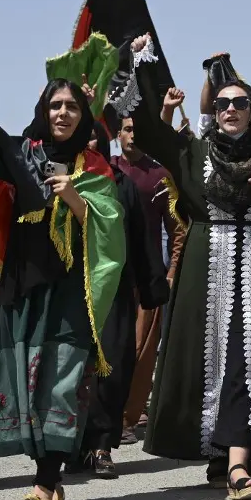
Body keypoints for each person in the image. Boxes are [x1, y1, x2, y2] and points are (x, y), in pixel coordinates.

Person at [0, 66, 124, 500]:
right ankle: (51, 478)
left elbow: (111, 230)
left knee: (60, 381)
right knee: (26, 383)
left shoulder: (94, 166)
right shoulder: (24, 152)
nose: (63, 113)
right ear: (43, 110)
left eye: (72, 107)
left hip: (69, 287)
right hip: (23, 281)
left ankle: (45, 481)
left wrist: (76, 201)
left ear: (84, 115)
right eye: (55, 105)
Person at [108, 34, 251, 500]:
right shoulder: (193, 152)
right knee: (205, 364)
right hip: (205, 272)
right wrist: (143, 63)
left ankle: (240, 465)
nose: (230, 109)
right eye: (224, 102)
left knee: (246, 363)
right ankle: (217, 452)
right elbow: (144, 127)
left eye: (241, 103)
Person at [73, 121, 168, 477]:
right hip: (69, 292)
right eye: (87, 131)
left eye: (99, 133)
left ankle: (100, 446)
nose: (93, 138)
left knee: (111, 366)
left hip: (113, 289)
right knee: (71, 369)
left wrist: (151, 287)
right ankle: (69, 447)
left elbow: (141, 238)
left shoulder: (119, 183)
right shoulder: (59, 179)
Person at [112, 114, 180, 443]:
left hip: (148, 278)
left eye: (138, 130)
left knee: (140, 352)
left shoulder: (159, 175)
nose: (132, 136)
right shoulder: (105, 170)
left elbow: (177, 230)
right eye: (127, 129)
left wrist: (170, 274)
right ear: (117, 134)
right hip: (109, 278)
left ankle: (126, 419)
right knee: (110, 350)